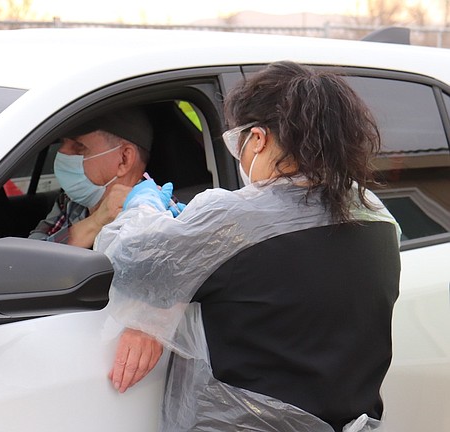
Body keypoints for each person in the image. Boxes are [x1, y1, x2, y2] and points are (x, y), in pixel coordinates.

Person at [94, 61, 401, 432]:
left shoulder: (233, 220)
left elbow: (131, 264)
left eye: (237, 142)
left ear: (258, 138)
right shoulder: (374, 215)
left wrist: (144, 206)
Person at [29, 106, 180, 248]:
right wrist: (95, 222)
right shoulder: (71, 202)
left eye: (79, 146)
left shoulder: (156, 210)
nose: (61, 153)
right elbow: (30, 256)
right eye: (62, 143)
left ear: (124, 159)